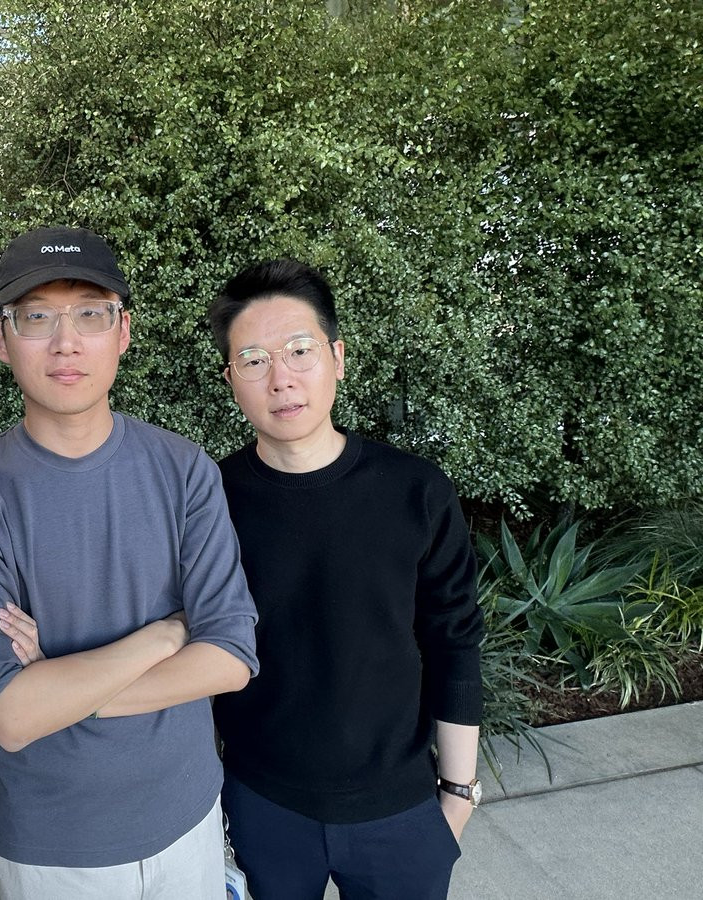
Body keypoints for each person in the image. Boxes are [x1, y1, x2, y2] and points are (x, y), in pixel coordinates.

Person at [0, 226, 260, 898]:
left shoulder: (183, 470)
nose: (66, 341)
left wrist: (59, 687)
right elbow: (12, 715)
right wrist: (167, 634)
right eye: (36, 317)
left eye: (90, 314)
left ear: (123, 331)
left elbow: (230, 656)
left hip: (189, 820)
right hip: (53, 850)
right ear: (1, 339)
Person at [207, 259, 484, 900]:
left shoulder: (415, 490)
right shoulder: (211, 500)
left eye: (299, 350)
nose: (281, 378)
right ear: (231, 380)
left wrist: (458, 794)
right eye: (253, 360)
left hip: (402, 807)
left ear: (337, 357)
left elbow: (454, 640)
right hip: (262, 803)